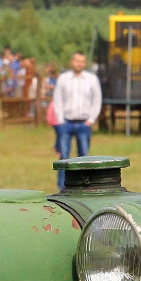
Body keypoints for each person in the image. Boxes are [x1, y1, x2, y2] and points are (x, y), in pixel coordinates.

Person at [52, 51, 102, 190]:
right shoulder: (63, 78)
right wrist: (60, 119)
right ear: (72, 61)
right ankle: (62, 187)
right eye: (76, 61)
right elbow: (57, 99)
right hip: (66, 123)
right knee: (64, 157)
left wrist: (91, 119)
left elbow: (97, 100)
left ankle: (82, 187)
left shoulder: (91, 79)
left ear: (84, 63)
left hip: (84, 123)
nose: (79, 64)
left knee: (84, 158)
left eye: (82, 61)